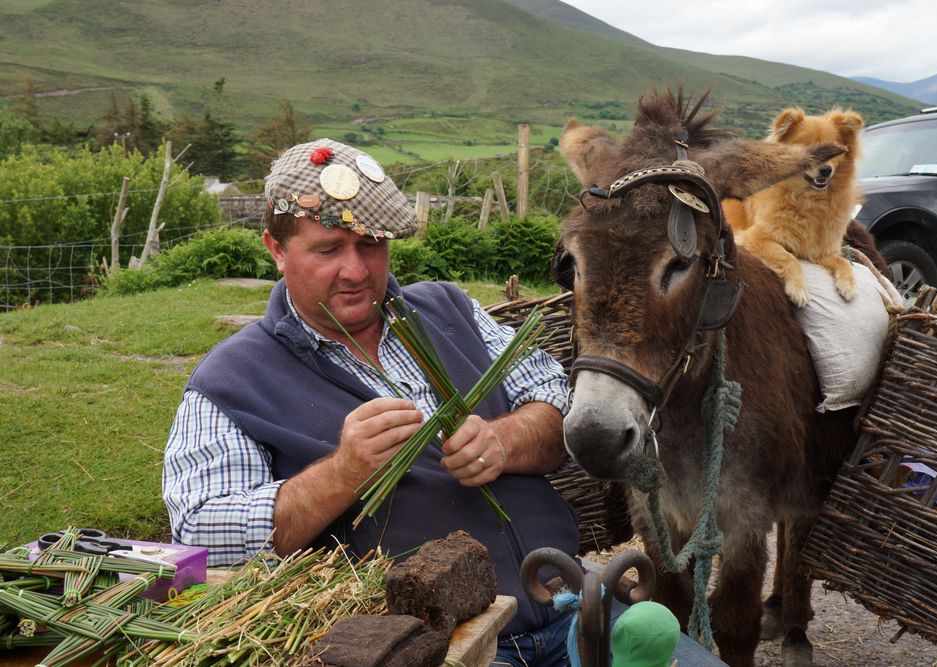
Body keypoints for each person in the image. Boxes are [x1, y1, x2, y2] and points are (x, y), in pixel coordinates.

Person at [163, 139, 723, 667]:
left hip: (571, 603)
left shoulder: (447, 309)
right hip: (440, 647)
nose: (356, 271)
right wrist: (343, 472)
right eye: (328, 250)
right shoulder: (231, 380)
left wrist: (503, 441)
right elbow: (200, 533)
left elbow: (556, 403)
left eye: (371, 245)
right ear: (276, 250)